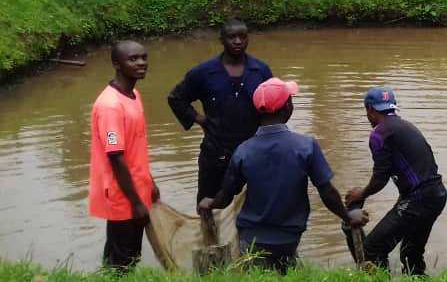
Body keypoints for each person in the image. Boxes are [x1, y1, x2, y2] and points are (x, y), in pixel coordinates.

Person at [198, 77, 366, 274]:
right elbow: (327, 192)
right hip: (289, 238)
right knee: (285, 268)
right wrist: (348, 216)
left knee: (257, 273)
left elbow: (226, 197)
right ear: (287, 107)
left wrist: (210, 203)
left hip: (251, 239)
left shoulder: (244, 151)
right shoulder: (306, 147)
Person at [167, 19, 273, 203]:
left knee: (256, 204)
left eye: (242, 37)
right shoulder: (204, 73)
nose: (238, 41)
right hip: (216, 152)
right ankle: (209, 232)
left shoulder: (260, 71)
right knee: (210, 205)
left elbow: (274, 104)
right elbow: (176, 98)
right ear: (221, 40)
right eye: (232, 37)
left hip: (254, 151)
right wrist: (199, 119)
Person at [345, 87, 447, 277]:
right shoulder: (406, 126)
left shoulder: (379, 133)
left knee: (372, 250)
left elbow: (380, 178)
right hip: (437, 194)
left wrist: (362, 193)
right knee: (411, 253)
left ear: (369, 109)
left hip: (419, 198)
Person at [89, 41, 160, 272]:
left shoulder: (133, 94)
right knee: (123, 258)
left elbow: (134, 147)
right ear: (116, 64)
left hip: (137, 187)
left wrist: (150, 182)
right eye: (133, 59)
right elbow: (116, 156)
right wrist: (136, 203)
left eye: (144, 57)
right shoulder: (110, 106)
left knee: (128, 253)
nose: (141, 63)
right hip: (122, 196)